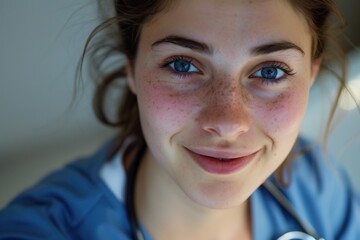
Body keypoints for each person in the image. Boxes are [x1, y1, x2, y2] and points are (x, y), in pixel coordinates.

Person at [0, 0, 359, 239]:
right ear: (132, 67)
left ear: (311, 74)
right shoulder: (42, 229)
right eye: (182, 65)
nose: (228, 122)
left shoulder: (316, 183)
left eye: (270, 70)